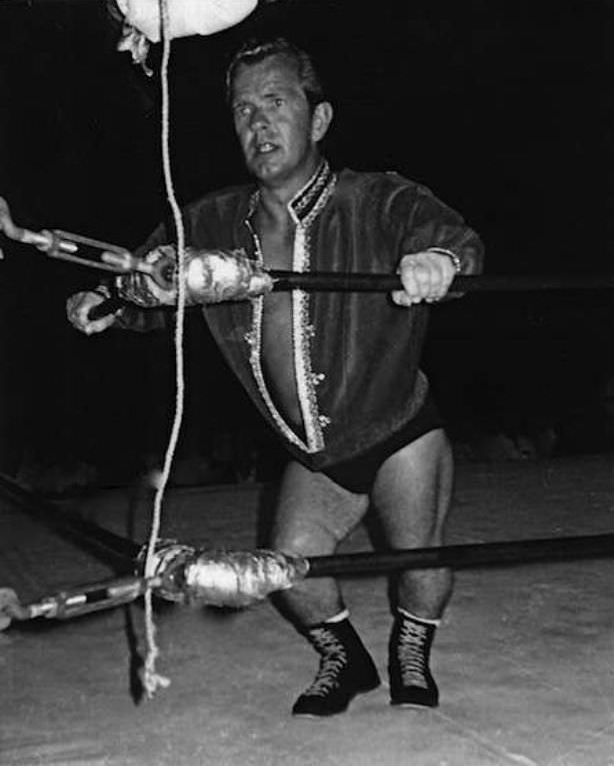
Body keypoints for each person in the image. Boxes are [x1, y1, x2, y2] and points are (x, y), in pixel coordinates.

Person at [67, 37, 484, 717]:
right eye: (242, 110)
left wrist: (439, 261)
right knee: (289, 563)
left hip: (398, 428)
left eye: (276, 101)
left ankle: (412, 646)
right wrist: (107, 304)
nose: (258, 124)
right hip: (315, 452)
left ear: (318, 120)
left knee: (418, 560)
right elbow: (148, 285)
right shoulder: (207, 222)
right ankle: (344, 658)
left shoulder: (379, 198)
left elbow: (451, 238)